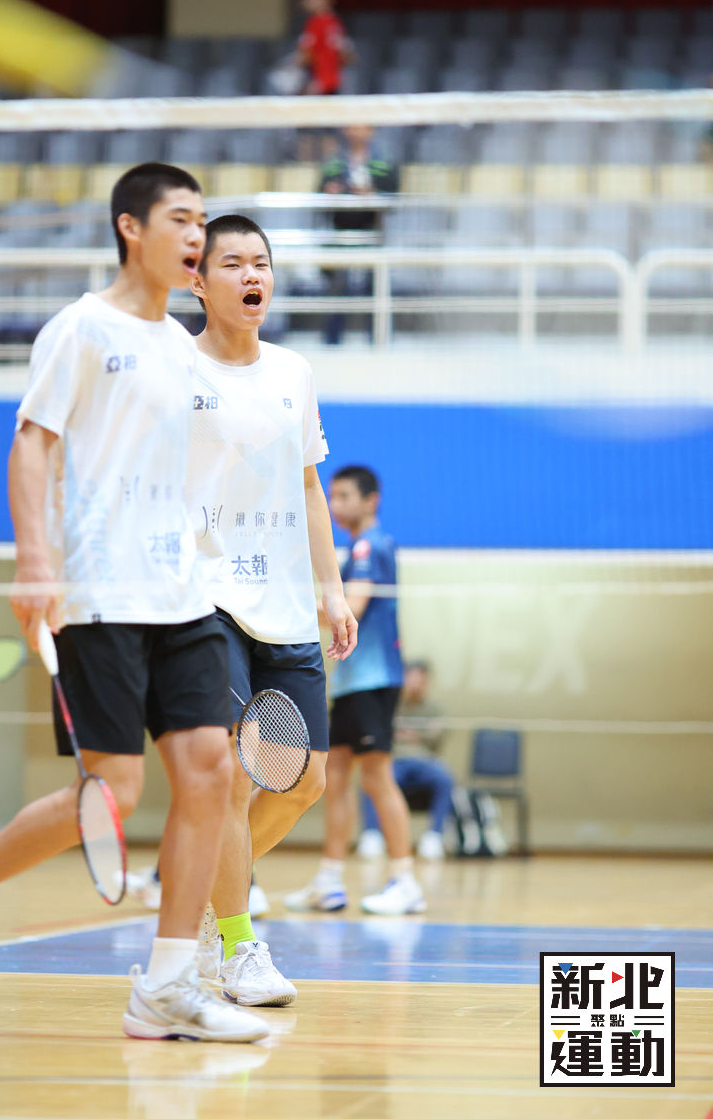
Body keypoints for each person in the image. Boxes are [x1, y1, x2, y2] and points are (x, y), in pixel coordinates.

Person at [0, 163, 269, 1044]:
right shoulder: (80, 329)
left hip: (184, 595)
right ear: (130, 227)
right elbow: (32, 443)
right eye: (181, 219)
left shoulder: (181, 346)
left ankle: (166, 986)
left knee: (210, 772)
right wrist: (35, 560)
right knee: (110, 792)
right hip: (102, 593)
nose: (197, 236)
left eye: (203, 221)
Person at [180, 213, 357, 1005]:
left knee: (305, 780)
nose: (252, 275)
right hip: (205, 598)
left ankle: (200, 898)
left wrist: (329, 588)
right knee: (226, 777)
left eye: (261, 262)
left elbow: (309, 484)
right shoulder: (176, 373)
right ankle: (237, 941)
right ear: (198, 281)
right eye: (233, 263)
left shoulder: (293, 371)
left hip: (284, 602)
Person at [286, 465, 426, 916]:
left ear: (371, 500)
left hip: (374, 681)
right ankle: (329, 881)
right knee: (336, 777)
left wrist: (286, 607)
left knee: (376, 777)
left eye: (344, 496)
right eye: (333, 495)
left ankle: (405, 880)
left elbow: (354, 606)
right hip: (350, 683)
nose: (335, 505)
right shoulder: (354, 549)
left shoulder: (371, 545)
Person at [357, 661, 456, 862]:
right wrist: (415, 734)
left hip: (424, 761)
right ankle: (372, 835)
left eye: (421, 680)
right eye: (412, 678)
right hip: (396, 762)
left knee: (445, 779)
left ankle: (434, 837)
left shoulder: (434, 709)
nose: (416, 684)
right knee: (372, 777)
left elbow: (437, 737)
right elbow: (380, 733)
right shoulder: (390, 706)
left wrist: (406, 734)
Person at [319, 125, 399, 345]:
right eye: (353, 127)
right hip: (340, 232)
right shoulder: (334, 162)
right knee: (338, 287)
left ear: (371, 131)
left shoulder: (385, 163)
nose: (357, 132)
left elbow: (394, 198)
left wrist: (372, 194)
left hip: (372, 232)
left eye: (362, 127)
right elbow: (318, 196)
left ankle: (378, 338)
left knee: (375, 286)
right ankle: (332, 340)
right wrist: (331, 192)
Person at [295, 0, 353, 162]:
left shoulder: (317, 22)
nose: (306, 2)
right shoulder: (335, 23)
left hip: (318, 81)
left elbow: (305, 55)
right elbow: (347, 56)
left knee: (306, 129)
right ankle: (329, 166)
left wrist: (316, 81)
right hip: (331, 82)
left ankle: (306, 167)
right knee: (328, 127)